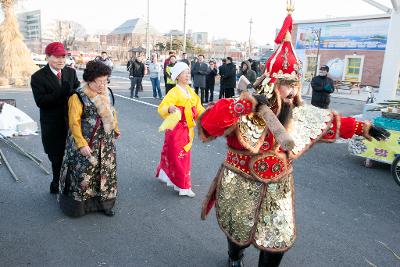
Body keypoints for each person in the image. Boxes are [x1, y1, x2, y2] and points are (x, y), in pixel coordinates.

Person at [198, 7, 390, 267]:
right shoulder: (242, 106)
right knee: (238, 235)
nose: (292, 91)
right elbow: (208, 124)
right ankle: (235, 256)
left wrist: (362, 128)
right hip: (241, 180)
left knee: (277, 242)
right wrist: (243, 106)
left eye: (295, 85)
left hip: (279, 185)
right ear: (271, 83)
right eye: (286, 84)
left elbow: (329, 123)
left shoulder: (297, 112)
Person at [59, 60, 120, 217]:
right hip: (86, 143)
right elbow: (74, 122)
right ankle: (78, 207)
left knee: (105, 173)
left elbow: (112, 112)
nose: (102, 85)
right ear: (89, 79)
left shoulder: (108, 92)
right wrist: (81, 144)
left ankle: (105, 204)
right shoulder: (78, 96)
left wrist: (116, 129)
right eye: (99, 81)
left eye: (105, 80)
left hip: (105, 144)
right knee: (84, 174)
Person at [31, 42, 80, 194]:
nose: (61, 60)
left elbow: (77, 92)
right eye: (57, 56)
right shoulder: (38, 77)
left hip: (72, 124)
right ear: (47, 57)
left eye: (63, 56)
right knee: (57, 158)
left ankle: (69, 184)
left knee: (73, 157)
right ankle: (57, 185)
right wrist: (61, 92)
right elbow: (41, 102)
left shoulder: (70, 73)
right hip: (52, 125)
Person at [156, 62, 205, 197]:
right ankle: (183, 185)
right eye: (184, 73)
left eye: (188, 72)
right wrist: (170, 108)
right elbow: (162, 107)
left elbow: (199, 108)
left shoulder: (191, 92)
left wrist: (206, 115)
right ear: (177, 76)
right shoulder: (173, 92)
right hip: (176, 130)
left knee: (178, 155)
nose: (187, 75)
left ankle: (165, 174)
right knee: (179, 157)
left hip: (187, 130)